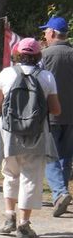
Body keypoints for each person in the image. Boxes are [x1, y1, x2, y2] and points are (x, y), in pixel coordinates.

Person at [0, 38, 60, 238]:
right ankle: (24, 225)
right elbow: (56, 109)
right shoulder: (47, 77)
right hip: (36, 134)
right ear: (39, 55)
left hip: (9, 132)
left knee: (11, 175)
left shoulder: (6, 73)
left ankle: (9, 217)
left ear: (17, 54)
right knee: (31, 178)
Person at [39, 16, 73, 217]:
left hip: (51, 114)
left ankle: (60, 193)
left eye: (45, 32)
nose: (44, 35)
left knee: (49, 155)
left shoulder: (43, 56)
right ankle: (61, 194)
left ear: (52, 33)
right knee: (65, 157)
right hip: (72, 116)